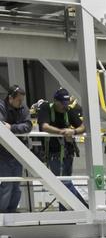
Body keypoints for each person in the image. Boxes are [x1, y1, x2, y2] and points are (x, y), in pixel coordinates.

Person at [37, 88, 85, 204]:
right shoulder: (46, 108)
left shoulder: (69, 110)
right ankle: (82, 207)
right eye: (63, 104)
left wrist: (73, 132)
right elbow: (44, 126)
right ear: (55, 101)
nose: (65, 106)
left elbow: (83, 126)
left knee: (65, 182)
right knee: (64, 183)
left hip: (68, 152)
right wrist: (62, 132)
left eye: (67, 103)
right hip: (53, 153)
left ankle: (71, 209)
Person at [0, 85, 32, 215]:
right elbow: (1, 126)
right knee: (6, 185)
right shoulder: (1, 106)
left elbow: (28, 126)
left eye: (22, 100)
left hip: (18, 153)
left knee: (16, 186)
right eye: (18, 100)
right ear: (10, 98)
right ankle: (2, 213)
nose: (21, 103)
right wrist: (18, 127)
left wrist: (12, 128)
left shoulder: (23, 108)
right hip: (3, 153)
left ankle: (11, 211)